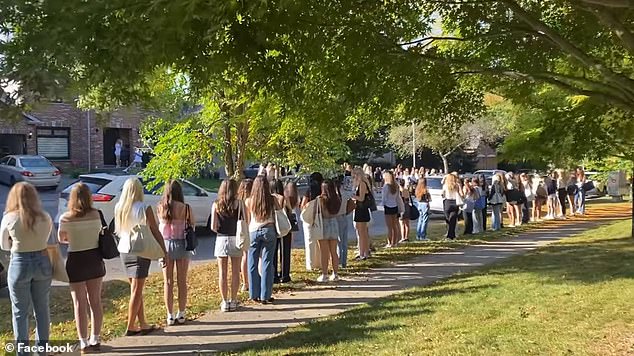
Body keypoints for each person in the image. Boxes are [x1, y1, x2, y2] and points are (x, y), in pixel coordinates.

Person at [1, 182, 53, 353]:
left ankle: (23, 352)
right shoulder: (45, 216)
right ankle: (42, 350)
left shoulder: (9, 217)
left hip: (20, 262)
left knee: (20, 312)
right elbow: (47, 239)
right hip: (42, 260)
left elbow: (3, 245)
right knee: (42, 309)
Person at [114, 178, 166, 336]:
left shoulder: (119, 208)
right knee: (137, 290)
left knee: (135, 289)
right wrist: (164, 251)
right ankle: (130, 326)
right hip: (140, 250)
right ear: (139, 190)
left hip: (124, 249)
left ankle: (143, 323)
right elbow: (155, 230)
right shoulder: (144, 208)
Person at [58, 183, 106, 352]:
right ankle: (96, 337)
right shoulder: (96, 215)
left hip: (75, 260)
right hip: (94, 258)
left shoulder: (65, 218)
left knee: (79, 303)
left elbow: (62, 239)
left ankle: (83, 340)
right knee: (95, 301)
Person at [157, 180, 193, 324]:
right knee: (182, 280)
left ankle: (169, 314)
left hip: (165, 245)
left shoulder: (161, 207)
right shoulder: (186, 208)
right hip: (182, 244)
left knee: (168, 281)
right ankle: (182, 313)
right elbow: (193, 224)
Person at [245, 176, 278, 304]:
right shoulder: (272, 199)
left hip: (253, 231)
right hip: (269, 229)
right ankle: (266, 294)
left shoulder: (249, 201)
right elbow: (279, 211)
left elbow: (248, 219)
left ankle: (253, 293)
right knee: (267, 263)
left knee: (252, 262)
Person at [211, 179, 242, 311]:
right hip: (236, 238)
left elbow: (213, 226)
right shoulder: (239, 204)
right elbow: (245, 220)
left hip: (222, 239)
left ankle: (224, 302)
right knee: (235, 271)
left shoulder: (216, 204)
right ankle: (234, 300)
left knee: (222, 272)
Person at [317, 180, 341, 282]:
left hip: (324, 224)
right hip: (334, 223)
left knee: (324, 252)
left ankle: (324, 274)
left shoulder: (320, 199)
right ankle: (335, 273)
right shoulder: (337, 199)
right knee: (333, 251)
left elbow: (320, 212)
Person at [301, 172, 324, 270]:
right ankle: (319, 263)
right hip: (320, 217)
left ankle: (310, 264)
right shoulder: (322, 191)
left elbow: (303, 205)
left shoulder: (309, 191)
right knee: (319, 240)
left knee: (309, 241)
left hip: (309, 218)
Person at [278, 181, 298, 282]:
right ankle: (284, 274)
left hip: (275, 227)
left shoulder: (273, 198)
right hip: (285, 226)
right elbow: (291, 211)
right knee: (285, 251)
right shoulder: (284, 199)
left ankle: (275, 274)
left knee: (274, 252)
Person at [351, 167, 371, 260]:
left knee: (362, 233)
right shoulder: (359, 184)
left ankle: (363, 253)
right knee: (362, 232)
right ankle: (364, 252)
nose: (353, 177)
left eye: (355, 175)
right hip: (360, 209)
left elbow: (361, 198)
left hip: (361, 209)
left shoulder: (362, 184)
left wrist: (352, 195)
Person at [237, 178, 253, 292]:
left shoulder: (239, 202)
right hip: (250, 228)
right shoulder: (251, 200)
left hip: (241, 229)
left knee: (244, 256)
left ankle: (245, 282)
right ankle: (250, 281)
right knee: (249, 256)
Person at [382, 171, 401, 248]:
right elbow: (397, 197)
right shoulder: (396, 186)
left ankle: (389, 242)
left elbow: (384, 198)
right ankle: (395, 242)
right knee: (394, 225)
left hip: (388, 206)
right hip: (395, 206)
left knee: (389, 227)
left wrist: (382, 205)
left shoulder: (386, 186)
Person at [335, 179, 350, 268]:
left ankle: (339, 260)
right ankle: (344, 261)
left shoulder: (336, 196)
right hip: (344, 216)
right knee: (344, 241)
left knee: (338, 241)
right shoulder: (344, 194)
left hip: (338, 217)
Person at [442, 173, 462, 239]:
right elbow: (461, 194)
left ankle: (449, 234)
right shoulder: (457, 185)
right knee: (453, 221)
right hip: (455, 202)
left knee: (448, 220)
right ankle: (452, 235)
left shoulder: (445, 185)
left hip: (448, 202)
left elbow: (442, 194)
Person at [398, 179, 411, 243]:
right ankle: (407, 237)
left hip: (402, 206)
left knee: (402, 223)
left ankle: (403, 237)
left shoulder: (399, 191)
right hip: (407, 206)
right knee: (407, 223)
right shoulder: (406, 190)